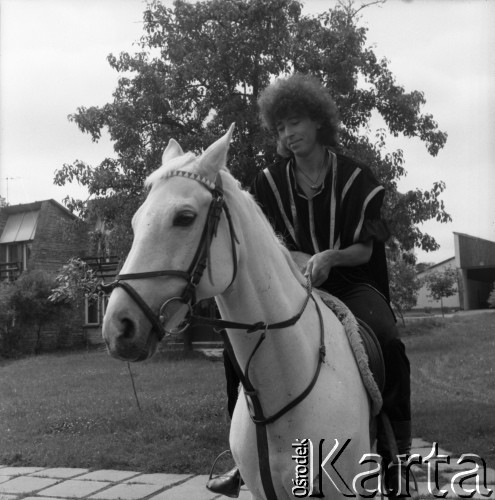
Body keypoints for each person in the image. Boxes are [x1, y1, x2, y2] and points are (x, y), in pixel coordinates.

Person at [207, 73, 414, 498]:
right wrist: (296, 260)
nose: (288, 133)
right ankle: (240, 459)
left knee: (388, 341)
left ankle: (396, 452)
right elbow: (265, 244)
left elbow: (366, 249)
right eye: (281, 127)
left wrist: (330, 257)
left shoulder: (359, 178)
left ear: (319, 122)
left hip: (352, 282)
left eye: (296, 122)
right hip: (290, 286)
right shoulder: (268, 182)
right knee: (237, 346)